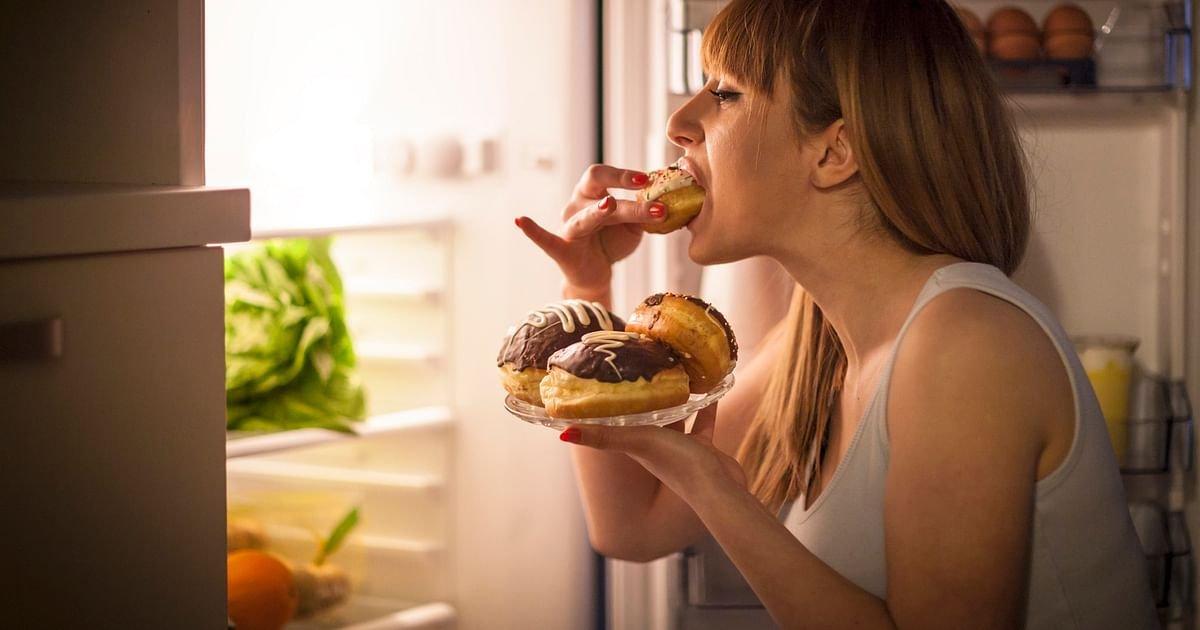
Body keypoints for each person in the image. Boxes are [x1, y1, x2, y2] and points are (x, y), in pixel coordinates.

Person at [514, 0, 1157, 627]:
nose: (680, 123)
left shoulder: (967, 343)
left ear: (833, 153)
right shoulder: (813, 342)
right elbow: (631, 527)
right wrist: (587, 288)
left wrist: (717, 492)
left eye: (726, 93)